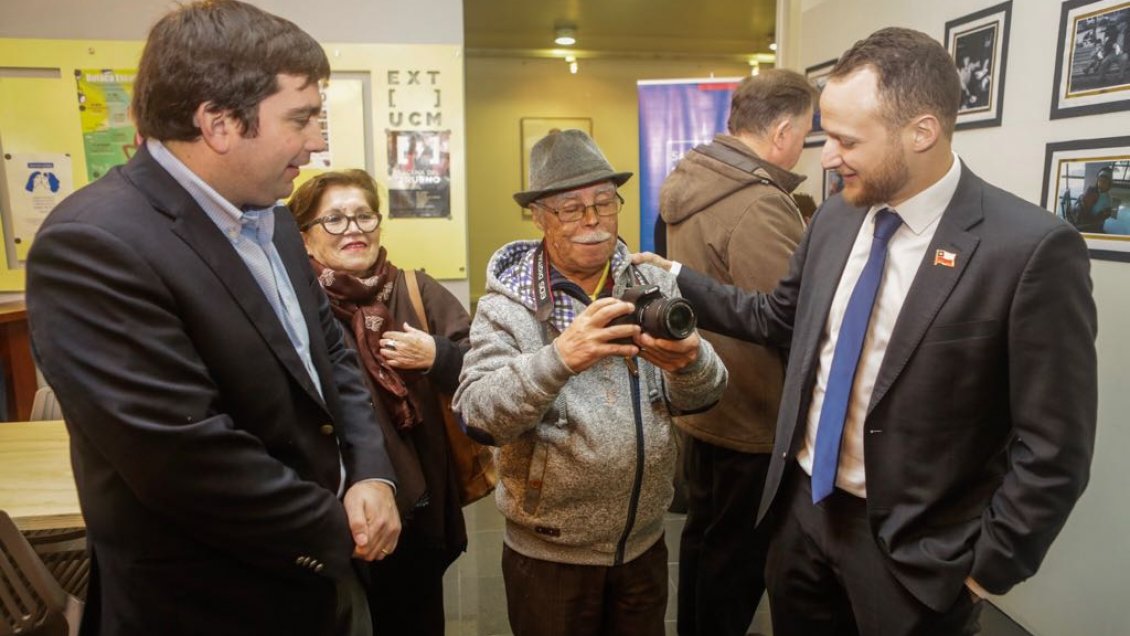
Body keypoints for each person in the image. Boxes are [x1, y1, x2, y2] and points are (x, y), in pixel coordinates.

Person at [636, 27, 1097, 636]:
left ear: (922, 133)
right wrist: (678, 279)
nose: (826, 157)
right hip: (802, 519)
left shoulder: (1030, 251)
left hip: (915, 558)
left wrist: (987, 569)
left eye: (848, 141)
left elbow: (1054, 448)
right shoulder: (835, 218)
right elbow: (779, 318)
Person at [24, 2, 401, 634]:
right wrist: (339, 529)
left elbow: (328, 357)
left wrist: (373, 474)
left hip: (323, 574)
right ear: (220, 122)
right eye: (303, 118)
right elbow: (183, 459)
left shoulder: (275, 217)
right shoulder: (94, 244)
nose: (318, 141)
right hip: (211, 600)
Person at [454, 129, 727, 636]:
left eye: (604, 202)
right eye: (571, 208)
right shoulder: (504, 308)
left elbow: (705, 394)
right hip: (550, 552)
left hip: (644, 542)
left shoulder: (652, 286)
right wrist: (558, 358)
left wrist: (692, 362)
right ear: (537, 215)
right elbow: (478, 415)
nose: (593, 219)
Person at [658, 69, 814, 636]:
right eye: (804, 131)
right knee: (738, 562)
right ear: (779, 130)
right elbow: (786, 316)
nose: (804, 145)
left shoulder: (695, 178)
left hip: (706, 394)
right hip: (751, 409)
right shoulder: (758, 203)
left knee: (705, 541)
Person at [289, 169, 470, 635]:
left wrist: (438, 355)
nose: (353, 228)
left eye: (364, 216)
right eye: (334, 219)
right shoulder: (293, 308)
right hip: (328, 514)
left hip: (419, 506)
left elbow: (486, 365)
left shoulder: (415, 289)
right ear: (304, 238)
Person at [1074, 165, 1118, 233]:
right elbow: (1084, 199)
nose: (1101, 184)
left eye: (1104, 182)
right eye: (1100, 181)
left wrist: (1103, 214)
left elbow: (1107, 212)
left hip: (1094, 221)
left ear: (1109, 184)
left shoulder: (1108, 199)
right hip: (1085, 214)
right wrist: (1082, 201)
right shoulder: (1092, 190)